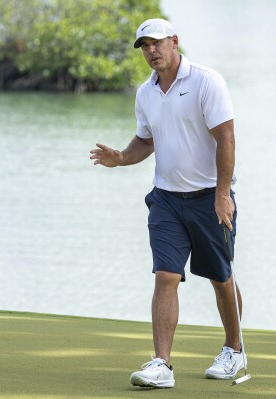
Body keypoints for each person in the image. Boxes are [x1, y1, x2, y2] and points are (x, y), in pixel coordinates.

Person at [89, 18, 245, 388]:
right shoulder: (146, 92)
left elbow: (226, 139)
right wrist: (122, 158)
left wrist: (222, 195)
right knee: (165, 275)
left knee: (220, 278)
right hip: (166, 200)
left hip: (209, 198)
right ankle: (161, 364)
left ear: (174, 42)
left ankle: (234, 350)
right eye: (144, 46)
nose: (151, 51)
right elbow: (146, 140)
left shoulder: (207, 81)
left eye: (156, 43)